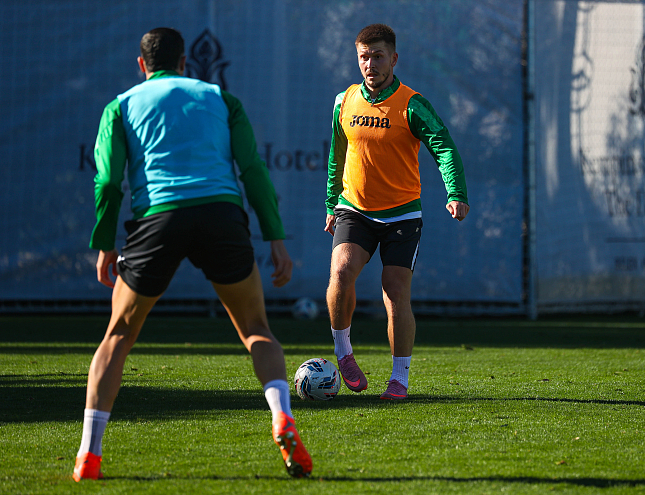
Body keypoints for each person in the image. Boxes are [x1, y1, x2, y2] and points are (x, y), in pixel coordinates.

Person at [73, 27, 312, 481]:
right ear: (185, 63)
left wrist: (104, 244)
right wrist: (275, 238)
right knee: (256, 329)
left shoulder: (121, 105)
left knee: (118, 336)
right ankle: (282, 416)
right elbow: (253, 171)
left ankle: (89, 454)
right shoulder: (221, 98)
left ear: (142, 65)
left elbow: (107, 181)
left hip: (159, 218)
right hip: (221, 215)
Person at [325, 24, 469, 400]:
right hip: (354, 208)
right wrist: (331, 203)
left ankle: (399, 378)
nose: (370, 64)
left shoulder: (412, 104)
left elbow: (444, 146)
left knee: (395, 291)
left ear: (393, 59)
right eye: (364, 57)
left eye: (378, 56)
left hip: (402, 214)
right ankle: (344, 354)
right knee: (341, 271)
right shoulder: (344, 101)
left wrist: (455, 192)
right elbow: (337, 154)